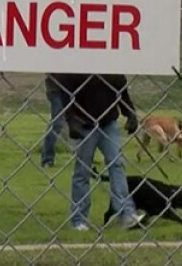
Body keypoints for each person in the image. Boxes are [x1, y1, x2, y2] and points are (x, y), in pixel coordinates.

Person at [52, 72, 144, 231]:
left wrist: (130, 113)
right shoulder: (76, 70)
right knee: (82, 171)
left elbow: (121, 90)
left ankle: (126, 213)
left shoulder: (112, 68)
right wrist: (71, 121)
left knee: (117, 164)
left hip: (108, 123)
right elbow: (66, 92)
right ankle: (78, 218)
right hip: (84, 123)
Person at [40, 74, 69, 168]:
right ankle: (47, 158)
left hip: (70, 88)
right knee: (57, 123)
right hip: (56, 89)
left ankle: (85, 158)